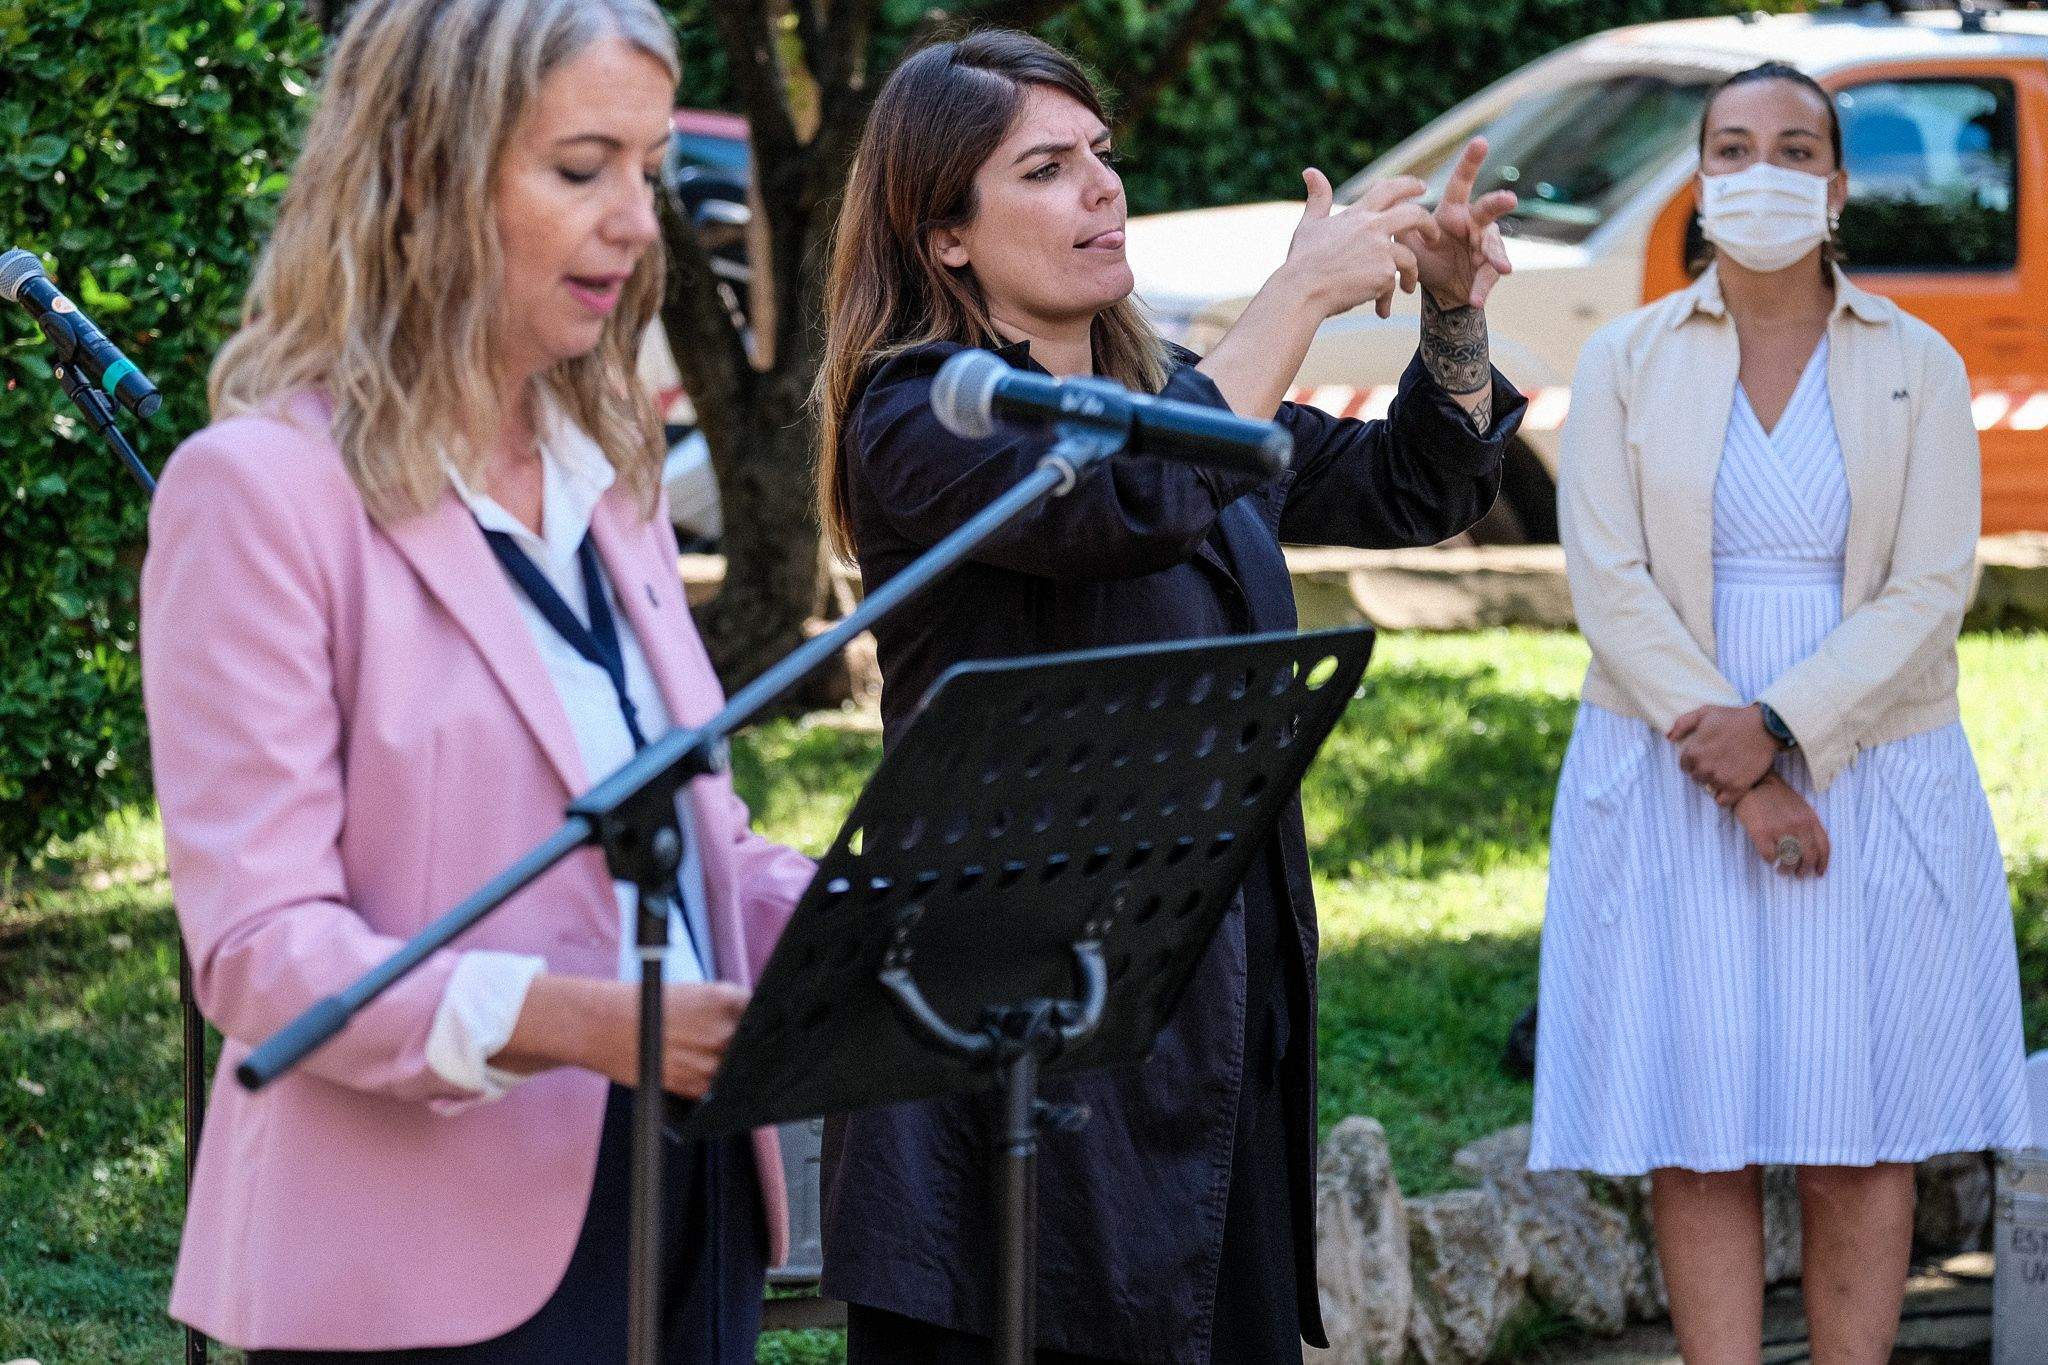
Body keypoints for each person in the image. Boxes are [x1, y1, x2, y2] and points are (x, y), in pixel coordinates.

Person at [813, 30, 1527, 1363]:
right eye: (1046, 167)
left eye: (1102, 156)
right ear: (946, 234)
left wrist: (1451, 314)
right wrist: (1297, 298)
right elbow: (1128, 507)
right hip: (1001, 1037)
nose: (1102, 188)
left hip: (1201, 1004)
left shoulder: (1159, 396)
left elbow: (1412, 487)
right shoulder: (919, 413)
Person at [140, 1, 814, 1358]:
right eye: (583, 169)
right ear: (422, 176)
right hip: (420, 1267)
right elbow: (262, 951)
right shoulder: (258, 492)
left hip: (691, 1197)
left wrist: (886, 906)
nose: (638, 223)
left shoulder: (603, 477)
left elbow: (697, 842)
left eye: (650, 170)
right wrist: (572, 1022)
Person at [1532, 61, 2031, 1364]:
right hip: (1673, 756)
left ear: (1838, 183)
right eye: (1733, 147)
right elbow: (1609, 580)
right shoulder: (1625, 358)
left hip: (1870, 758)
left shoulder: (1916, 363)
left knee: (1857, 1122)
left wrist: (1792, 729)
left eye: (1795, 148)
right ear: (1700, 180)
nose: (1762, 173)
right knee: (1703, 1124)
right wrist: (1746, 768)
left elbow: (1934, 584)